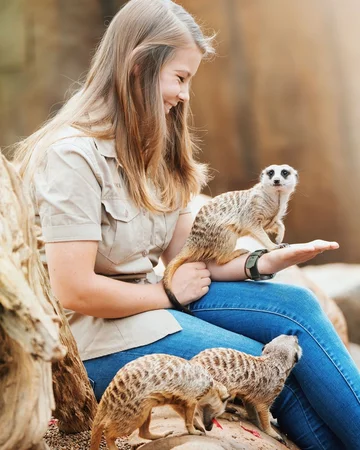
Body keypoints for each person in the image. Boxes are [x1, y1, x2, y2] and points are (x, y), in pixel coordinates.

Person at [14, 0, 360, 448]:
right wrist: (165, 294)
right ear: (138, 67)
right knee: (268, 372)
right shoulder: (71, 156)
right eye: (180, 78)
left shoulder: (155, 147)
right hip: (93, 336)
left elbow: (189, 260)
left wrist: (263, 262)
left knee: (298, 306)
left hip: (156, 303)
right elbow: (73, 290)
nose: (185, 94)